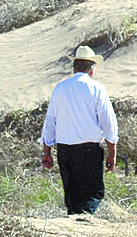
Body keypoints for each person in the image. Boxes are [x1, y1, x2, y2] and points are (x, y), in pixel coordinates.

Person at [40, 45, 119, 215]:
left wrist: (46, 151)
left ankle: (75, 226)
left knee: (72, 195)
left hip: (65, 150)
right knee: (93, 193)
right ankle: (83, 222)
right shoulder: (96, 88)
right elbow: (108, 122)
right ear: (92, 69)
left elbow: (50, 121)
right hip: (89, 150)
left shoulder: (60, 88)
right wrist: (112, 151)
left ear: (75, 67)